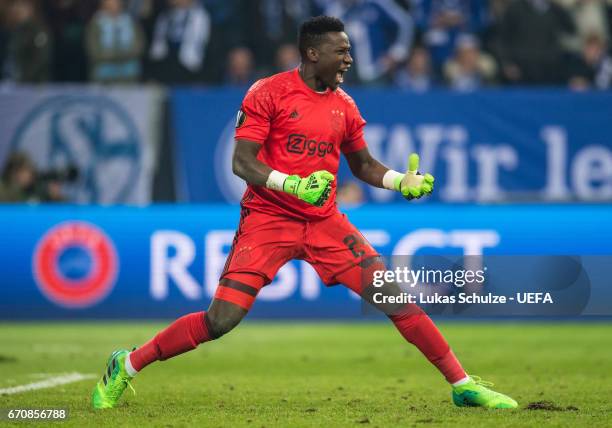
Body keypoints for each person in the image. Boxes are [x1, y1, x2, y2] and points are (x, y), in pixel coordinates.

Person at [92, 16, 517, 411]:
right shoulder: (268, 92)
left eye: (349, 51)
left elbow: (363, 165)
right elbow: (242, 162)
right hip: (267, 220)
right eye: (342, 51)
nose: (349, 60)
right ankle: (127, 364)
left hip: (324, 222)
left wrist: (398, 182)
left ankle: (462, 385)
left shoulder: (344, 105)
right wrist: (290, 183)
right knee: (220, 320)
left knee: (393, 297)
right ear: (313, 53)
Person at [85, 0, 145, 83]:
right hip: (103, 74)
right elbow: (93, 49)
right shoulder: (95, 23)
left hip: (129, 73)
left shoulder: (131, 21)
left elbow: (139, 45)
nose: (113, 5)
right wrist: (115, 55)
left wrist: (123, 54)